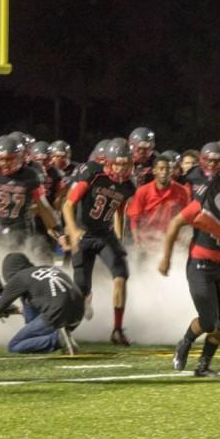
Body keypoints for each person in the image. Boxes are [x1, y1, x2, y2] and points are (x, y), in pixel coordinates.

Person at [158, 142, 220, 377]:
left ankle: (203, 366)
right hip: (200, 266)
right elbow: (175, 223)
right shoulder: (204, 199)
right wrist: (166, 257)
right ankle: (185, 342)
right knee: (208, 320)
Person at [62, 137, 136, 345]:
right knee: (81, 289)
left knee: (121, 275)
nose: (121, 168)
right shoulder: (93, 174)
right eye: (118, 163)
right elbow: (68, 205)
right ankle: (67, 327)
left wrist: (119, 239)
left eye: (125, 163)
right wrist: (73, 230)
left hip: (105, 234)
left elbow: (119, 212)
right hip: (84, 234)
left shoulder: (128, 185)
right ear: (108, 162)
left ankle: (117, 329)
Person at [0, 252, 84, 354]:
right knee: (28, 299)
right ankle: (62, 336)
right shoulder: (48, 268)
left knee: (14, 345)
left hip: (57, 313)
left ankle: (58, 340)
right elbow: (39, 302)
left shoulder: (19, 278)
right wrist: (14, 310)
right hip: (78, 313)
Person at [126, 154, 190, 246]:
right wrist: (137, 241)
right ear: (154, 171)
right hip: (147, 241)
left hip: (172, 242)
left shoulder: (182, 191)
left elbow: (186, 217)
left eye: (167, 169)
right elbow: (134, 219)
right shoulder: (143, 191)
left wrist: (185, 238)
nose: (164, 172)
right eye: (161, 168)